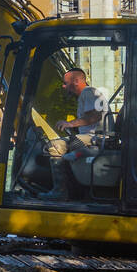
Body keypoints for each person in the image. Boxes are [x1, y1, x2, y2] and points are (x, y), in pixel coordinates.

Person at [39, 68, 106, 201]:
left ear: (76, 81)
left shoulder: (88, 92)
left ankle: (60, 192)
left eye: (65, 83)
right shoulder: (88, 94)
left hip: (95, 138)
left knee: (55, 146)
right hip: (93, 138)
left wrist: (70, 124)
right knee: (66, 147)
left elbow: (95, 115)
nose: (63, 86)